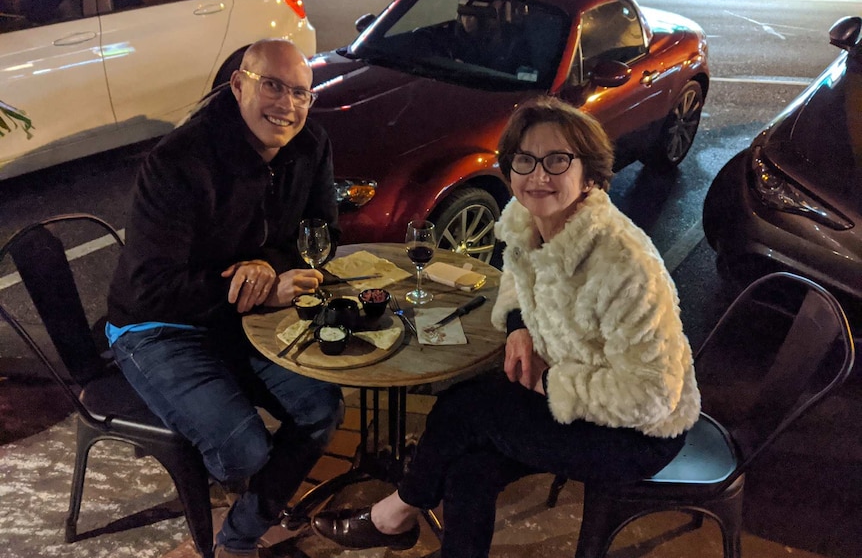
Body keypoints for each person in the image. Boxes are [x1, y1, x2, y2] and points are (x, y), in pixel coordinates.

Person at [310, 97, 701, 557]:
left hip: (636, 434)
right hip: (569, 395)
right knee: (468, 466)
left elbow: (652, 397)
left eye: (557, 160)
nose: (539, 175)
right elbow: (516, 273)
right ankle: (404, 520)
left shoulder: (622, 265)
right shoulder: (525, 220)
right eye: (525, 160)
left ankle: (395, 513)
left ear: (590, 174)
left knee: (464, 409)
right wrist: (518, 326)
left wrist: (547, 381)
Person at [106, 39, 344, 558]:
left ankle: (237, 539)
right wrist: (249, 284)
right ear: (239, 85)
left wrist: (271, 271)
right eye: (272, 86)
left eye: (300, 93)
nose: (287, 105)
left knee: (322, 407)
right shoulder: (177, 162)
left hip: (246, 315)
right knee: (242, 450)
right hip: (158, 326)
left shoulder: (309, 144)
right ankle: (247, 496)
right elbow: (152, 287)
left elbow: (322, 233)